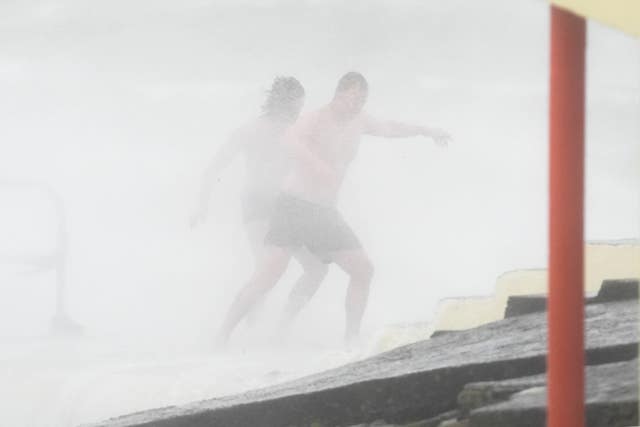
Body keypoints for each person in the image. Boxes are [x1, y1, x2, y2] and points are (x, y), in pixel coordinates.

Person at [218, 72, 451, 345]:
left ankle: (349, 342)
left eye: (362, 100)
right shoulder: (316, 118)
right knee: (269, 274)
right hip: (293, 206)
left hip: (324, 213)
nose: (356, 106)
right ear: (338, 95)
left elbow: (390, 127)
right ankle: (222, 334)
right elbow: (290, 140)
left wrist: (427, 131)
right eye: (352, 99)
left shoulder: (360, 120)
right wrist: (317, 166)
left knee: (363, 269)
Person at [191, 76, 329, 329]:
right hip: (257, 204)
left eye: (302, 104)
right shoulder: (251, 130)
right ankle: (239, 332)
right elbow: (213, 168)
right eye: (297, 104)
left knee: (316, 266)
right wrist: (202, 206)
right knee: (265, 270)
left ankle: (281, 327)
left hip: (288, 204)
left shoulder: (299, 130)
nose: (300, 110)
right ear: (283, 102)